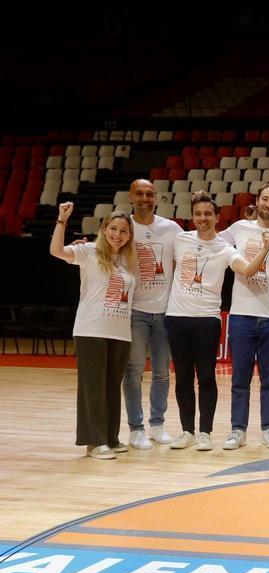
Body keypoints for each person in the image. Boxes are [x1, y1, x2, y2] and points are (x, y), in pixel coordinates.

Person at [166, 191, 269, 452]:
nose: (203, 218)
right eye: (198, 214)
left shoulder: (226, 248)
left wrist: (266, 248)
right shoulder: (180, 239)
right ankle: (187, 431)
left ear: (216, 218)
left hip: (207, 320)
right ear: (192, 217)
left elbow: (247, 270)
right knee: (181, 378)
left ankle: (205, 432)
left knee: (206, 377)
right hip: (176, 318)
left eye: (208, 214)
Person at [50, 204, 136, 459]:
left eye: (123, 231)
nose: (117, 235)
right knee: (93, 387)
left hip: (120, 331)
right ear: (103, 229)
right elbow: (56, 251)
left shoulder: (127, 260)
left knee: (111, 386)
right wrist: (62, 220)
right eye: (113, 229)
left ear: (129, 236)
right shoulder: (87, 251)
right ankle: (93, 441)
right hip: (91, 329)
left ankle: (110, 436)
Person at [219, 184, 269, 451]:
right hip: (241, 315)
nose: (268, 204)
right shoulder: (239, 228)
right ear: (257, 202)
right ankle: (237, 430)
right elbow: (211, 243)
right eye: (265, 199)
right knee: (239, 378)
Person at [122, 179, 182, 450]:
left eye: (149, 194)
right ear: (131, 197)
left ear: (156, 198)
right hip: (134, 311)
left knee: (161, 372)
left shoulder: (170, 228)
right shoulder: (123, 227)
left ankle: (157, 424)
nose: (145, 198)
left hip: (165, 312)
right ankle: (136, 428)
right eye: (140, 194)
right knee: (133, 372)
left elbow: (197, 245)